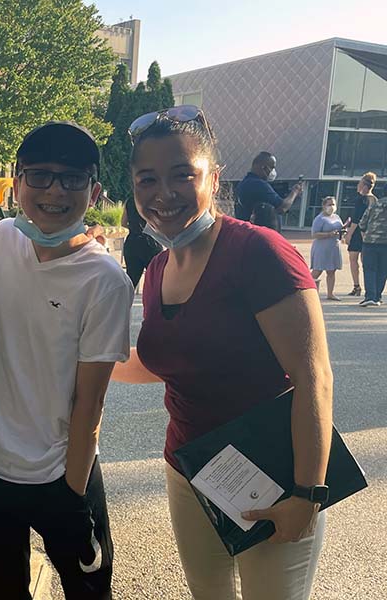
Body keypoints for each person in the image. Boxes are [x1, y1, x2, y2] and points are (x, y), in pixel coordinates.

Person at [113, 105, 333, 600]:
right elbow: (166, 362)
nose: (163, 194)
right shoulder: (156, 270)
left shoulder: (259, 252)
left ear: (214, 177)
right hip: (190, 467)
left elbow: (312, 375)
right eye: (147, 180)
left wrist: (307, 494)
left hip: (273, 473)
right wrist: (79, 358)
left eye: (182, 175)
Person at [0, 122, 134, 599]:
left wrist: (74, 500)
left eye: (72, 179)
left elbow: (89, 404)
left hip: (60, 476)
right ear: (17, 183)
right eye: (40, 176)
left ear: (93, 191)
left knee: (89, 593)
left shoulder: (105, 279)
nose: (55, 190)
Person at [235, 152, 302, 232]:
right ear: (263, 168)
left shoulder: (244, 183)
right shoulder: (258, 184)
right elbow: (282, 207)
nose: (273, 171)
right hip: (259, 234)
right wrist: (295, 191)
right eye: (272, 168)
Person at [344, 172, 378, 296]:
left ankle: (357, 286)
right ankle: (369, 287)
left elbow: (356, 220)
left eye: (359, 183)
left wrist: (349, 234)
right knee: (366, 261)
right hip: (370, 233)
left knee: (354, 259)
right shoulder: (375, 200)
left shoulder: (361, 200)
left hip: (358, 233)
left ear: (364, 185)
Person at [310, 196, 348, 301]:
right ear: (324, 206)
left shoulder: (336, 217)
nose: (331, 207)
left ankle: (330, 293)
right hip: (322, 248)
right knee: (317, 271)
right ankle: (308, 292)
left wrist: (343, 232)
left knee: (331, 271)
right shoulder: (320, 218)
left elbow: (340, 229)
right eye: (329, 204)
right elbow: (314, 234)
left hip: (334, 247)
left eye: (333, 204)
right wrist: (328, 234)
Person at [121, 195, 163, 289]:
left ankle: (124, 302)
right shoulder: (154, 200)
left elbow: (123, 223)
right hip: (151, 242)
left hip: (132, 242)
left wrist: (134, 228)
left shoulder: (130, 201)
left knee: (131, 280)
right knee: (156, 280)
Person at [357, 189, 387, 307]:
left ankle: (370, 296)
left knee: (369, 269)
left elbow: (362, 223)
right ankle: (377, 297)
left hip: (370, 242)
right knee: (382, 270)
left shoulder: (374, 205)